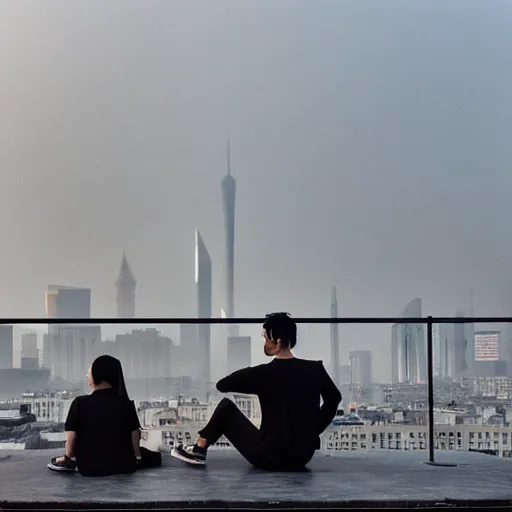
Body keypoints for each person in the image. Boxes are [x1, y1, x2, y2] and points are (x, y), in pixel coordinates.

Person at [171, 312, 342, 470]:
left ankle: (199, 449)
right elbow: (334, 399)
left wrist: (250, 373)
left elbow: (223, 385)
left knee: (226, 408)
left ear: (278, 341)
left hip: (269, 456)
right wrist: (313, 430)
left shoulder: (263, 373)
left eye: (266, 337)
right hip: (302, 455)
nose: (265, 342)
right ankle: (198, 449)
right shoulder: (314, 369)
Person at [47, 355, 161, 476]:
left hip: (88, 469)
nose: (87, 376)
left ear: (97, 375)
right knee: (154, 457)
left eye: (89, 372)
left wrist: (67, 458)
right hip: (124, 467)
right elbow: (135, 443)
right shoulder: (125, 404)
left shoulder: (79, 404)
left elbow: (70, 449)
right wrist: (137, 459)